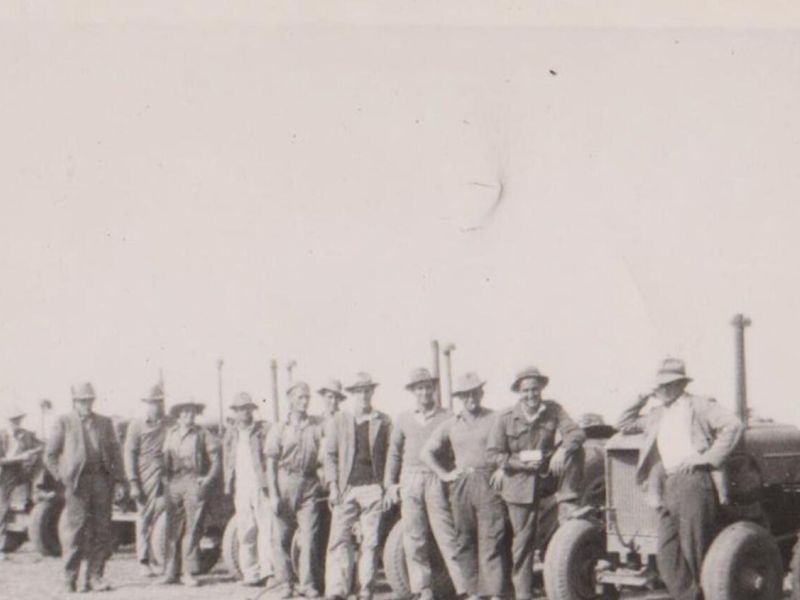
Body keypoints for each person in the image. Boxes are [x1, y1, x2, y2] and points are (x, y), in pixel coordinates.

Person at [616, 358, 744, 600]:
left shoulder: (700, 405)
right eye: (659, 386)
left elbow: (733, 426)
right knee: (667, 554)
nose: (661, 390)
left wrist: (707, 458)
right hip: (668, 483)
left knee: (694, 551)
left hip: (693, 481)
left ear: (680, 384)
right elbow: (623, 423)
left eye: (667, 385)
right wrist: (642, 395)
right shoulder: (656, 414)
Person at [487, 366, 586, 600]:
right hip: (519, 486)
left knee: (576, 451)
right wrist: (518, 464)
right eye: (525, 391)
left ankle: (568, 500)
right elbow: (493, 454)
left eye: (534, 389)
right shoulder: (505, 418)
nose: (531, 395)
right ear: (518, 392)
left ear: (541, 388)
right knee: (523, 542)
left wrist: (562, 449)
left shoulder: (553, 410)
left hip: (547, 479)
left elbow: (577, 433)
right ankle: (523, 593)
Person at [421, 372, 509, 600]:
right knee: (465, 539)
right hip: (461, 485)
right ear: (460, 397)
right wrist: (446, 475)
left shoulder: (496, 418)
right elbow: (426, 453)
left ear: (481, 393)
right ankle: (472, 593)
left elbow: (510, 447)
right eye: (466, 395)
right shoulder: (451, 424)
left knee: (491, 538)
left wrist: (503, 469)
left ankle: (495, 593)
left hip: (488, 482)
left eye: (475, 393)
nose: (471, 398)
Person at [383, 367, 467, 600]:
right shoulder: (403, 419)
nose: (424, 392)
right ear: (413, 391)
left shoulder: (447, 416)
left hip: (435, 478)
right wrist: (390, 483)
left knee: (446, 534)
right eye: (419, 388)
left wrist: (451, 475)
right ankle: (424, 589)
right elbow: (394, 454)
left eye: (428, 387)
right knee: (414, 536)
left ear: (434, 389)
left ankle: (463, 588)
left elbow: (457, 448)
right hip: (409, 479)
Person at [45, 382, 125, 593]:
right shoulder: (64, 422)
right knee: (75, 531)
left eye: (90, 400)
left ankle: (95, 576)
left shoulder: (104, 423)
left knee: (102, 530)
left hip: (101, 481)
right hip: (77, 484)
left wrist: (119, 481)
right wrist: (62, 476)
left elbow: (116, 454)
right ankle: (70, 577)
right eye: (83, 400)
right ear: (75, 402)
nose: (87, 404)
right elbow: (50, 455)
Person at [323, 373, 391, 600]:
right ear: (352, 394)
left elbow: (392, 456)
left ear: (372, 392)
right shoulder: (340, 420)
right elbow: (330, 456)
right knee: (339, 540)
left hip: (373, 488)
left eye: (367, 390)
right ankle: (337, 590)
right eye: (359, 391)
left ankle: (366, 589)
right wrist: (333, 486)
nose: (363, 395)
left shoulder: (383, 421)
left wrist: (387, 486)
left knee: (370, 543)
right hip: (347, 489)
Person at [265, 381, 324, 599]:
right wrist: (273, 494)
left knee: (309, 537)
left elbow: (324, 456)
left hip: (309, 484)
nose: (305, 401)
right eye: (300, 397)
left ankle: (307, 584)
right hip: (284, 482)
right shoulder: (279, 428)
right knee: (280, 538)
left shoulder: (316, 426)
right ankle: (285, 584)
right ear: (290, 399)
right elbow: (270, 463)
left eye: (307, 397)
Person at [162, 400, 221, 587]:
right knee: (172, 528)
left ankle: (188, 572)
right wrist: (165, 480)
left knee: (192, 528)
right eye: (185, 413)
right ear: (178, 416)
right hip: (174, 483)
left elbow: (216, 460)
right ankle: (170, 572)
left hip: (193, 481)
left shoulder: (202, 434)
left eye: (192, 413)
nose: (189, 416)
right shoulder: (170, 434)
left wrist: (207, 479)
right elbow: (164, 460)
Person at [222, 392, 273, 587]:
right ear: (235, 412)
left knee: (265, 528)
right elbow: (227, 457)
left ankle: (268, 573)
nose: (244, 413)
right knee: (245, 530)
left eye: (247, 409)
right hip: (241, 486)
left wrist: (267, 481)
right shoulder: (231, 433)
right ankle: (250, 573)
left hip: (260, 485)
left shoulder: (261, 431)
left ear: (252, 410)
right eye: (240, 409)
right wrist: (229, 481)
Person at [123, 383, 170, 578]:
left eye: (159, 402)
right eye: (152, 403)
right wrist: (133, 482)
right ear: (147, 404)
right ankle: (143, 560)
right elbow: (129, 453)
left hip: (167, 474)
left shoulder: (169, 422)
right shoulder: (137, 425)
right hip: (145, 476)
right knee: (144, 517)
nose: (156, 406)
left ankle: (167, 560)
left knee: (168, 517)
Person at [0, 405, 42, 561]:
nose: (16, 423)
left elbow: (42, 446)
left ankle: (38, 489)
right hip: (3, 473)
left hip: (20, 472)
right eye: (13, 420)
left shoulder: (26, 435)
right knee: (2, 510)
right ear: (8, 421)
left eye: (18, 419)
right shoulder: (2, 436)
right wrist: (20, 458)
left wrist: (33, 452)